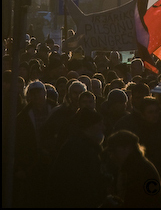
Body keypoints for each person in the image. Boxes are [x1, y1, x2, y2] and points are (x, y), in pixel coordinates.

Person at [46, 108, 109, 208]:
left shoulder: (83, 146)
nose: (104, 128)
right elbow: (78, 185)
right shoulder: (78, 149)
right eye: (100, 124)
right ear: (90, 126)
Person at [13, 80, 56, 208]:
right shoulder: (22, 118)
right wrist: (20, 167)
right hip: (33, 164)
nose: (36, 96)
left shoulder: (56, 111)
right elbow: (18, 144)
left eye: (39, 92)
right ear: (29, 96)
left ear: (45, 93)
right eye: (33, 93)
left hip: (54, 161)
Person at [104, 129, 161, 208]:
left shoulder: (138, 171)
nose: (111, 156)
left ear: (128, 148)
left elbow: (134, 202)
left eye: (113, 151)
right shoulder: (138, 166)